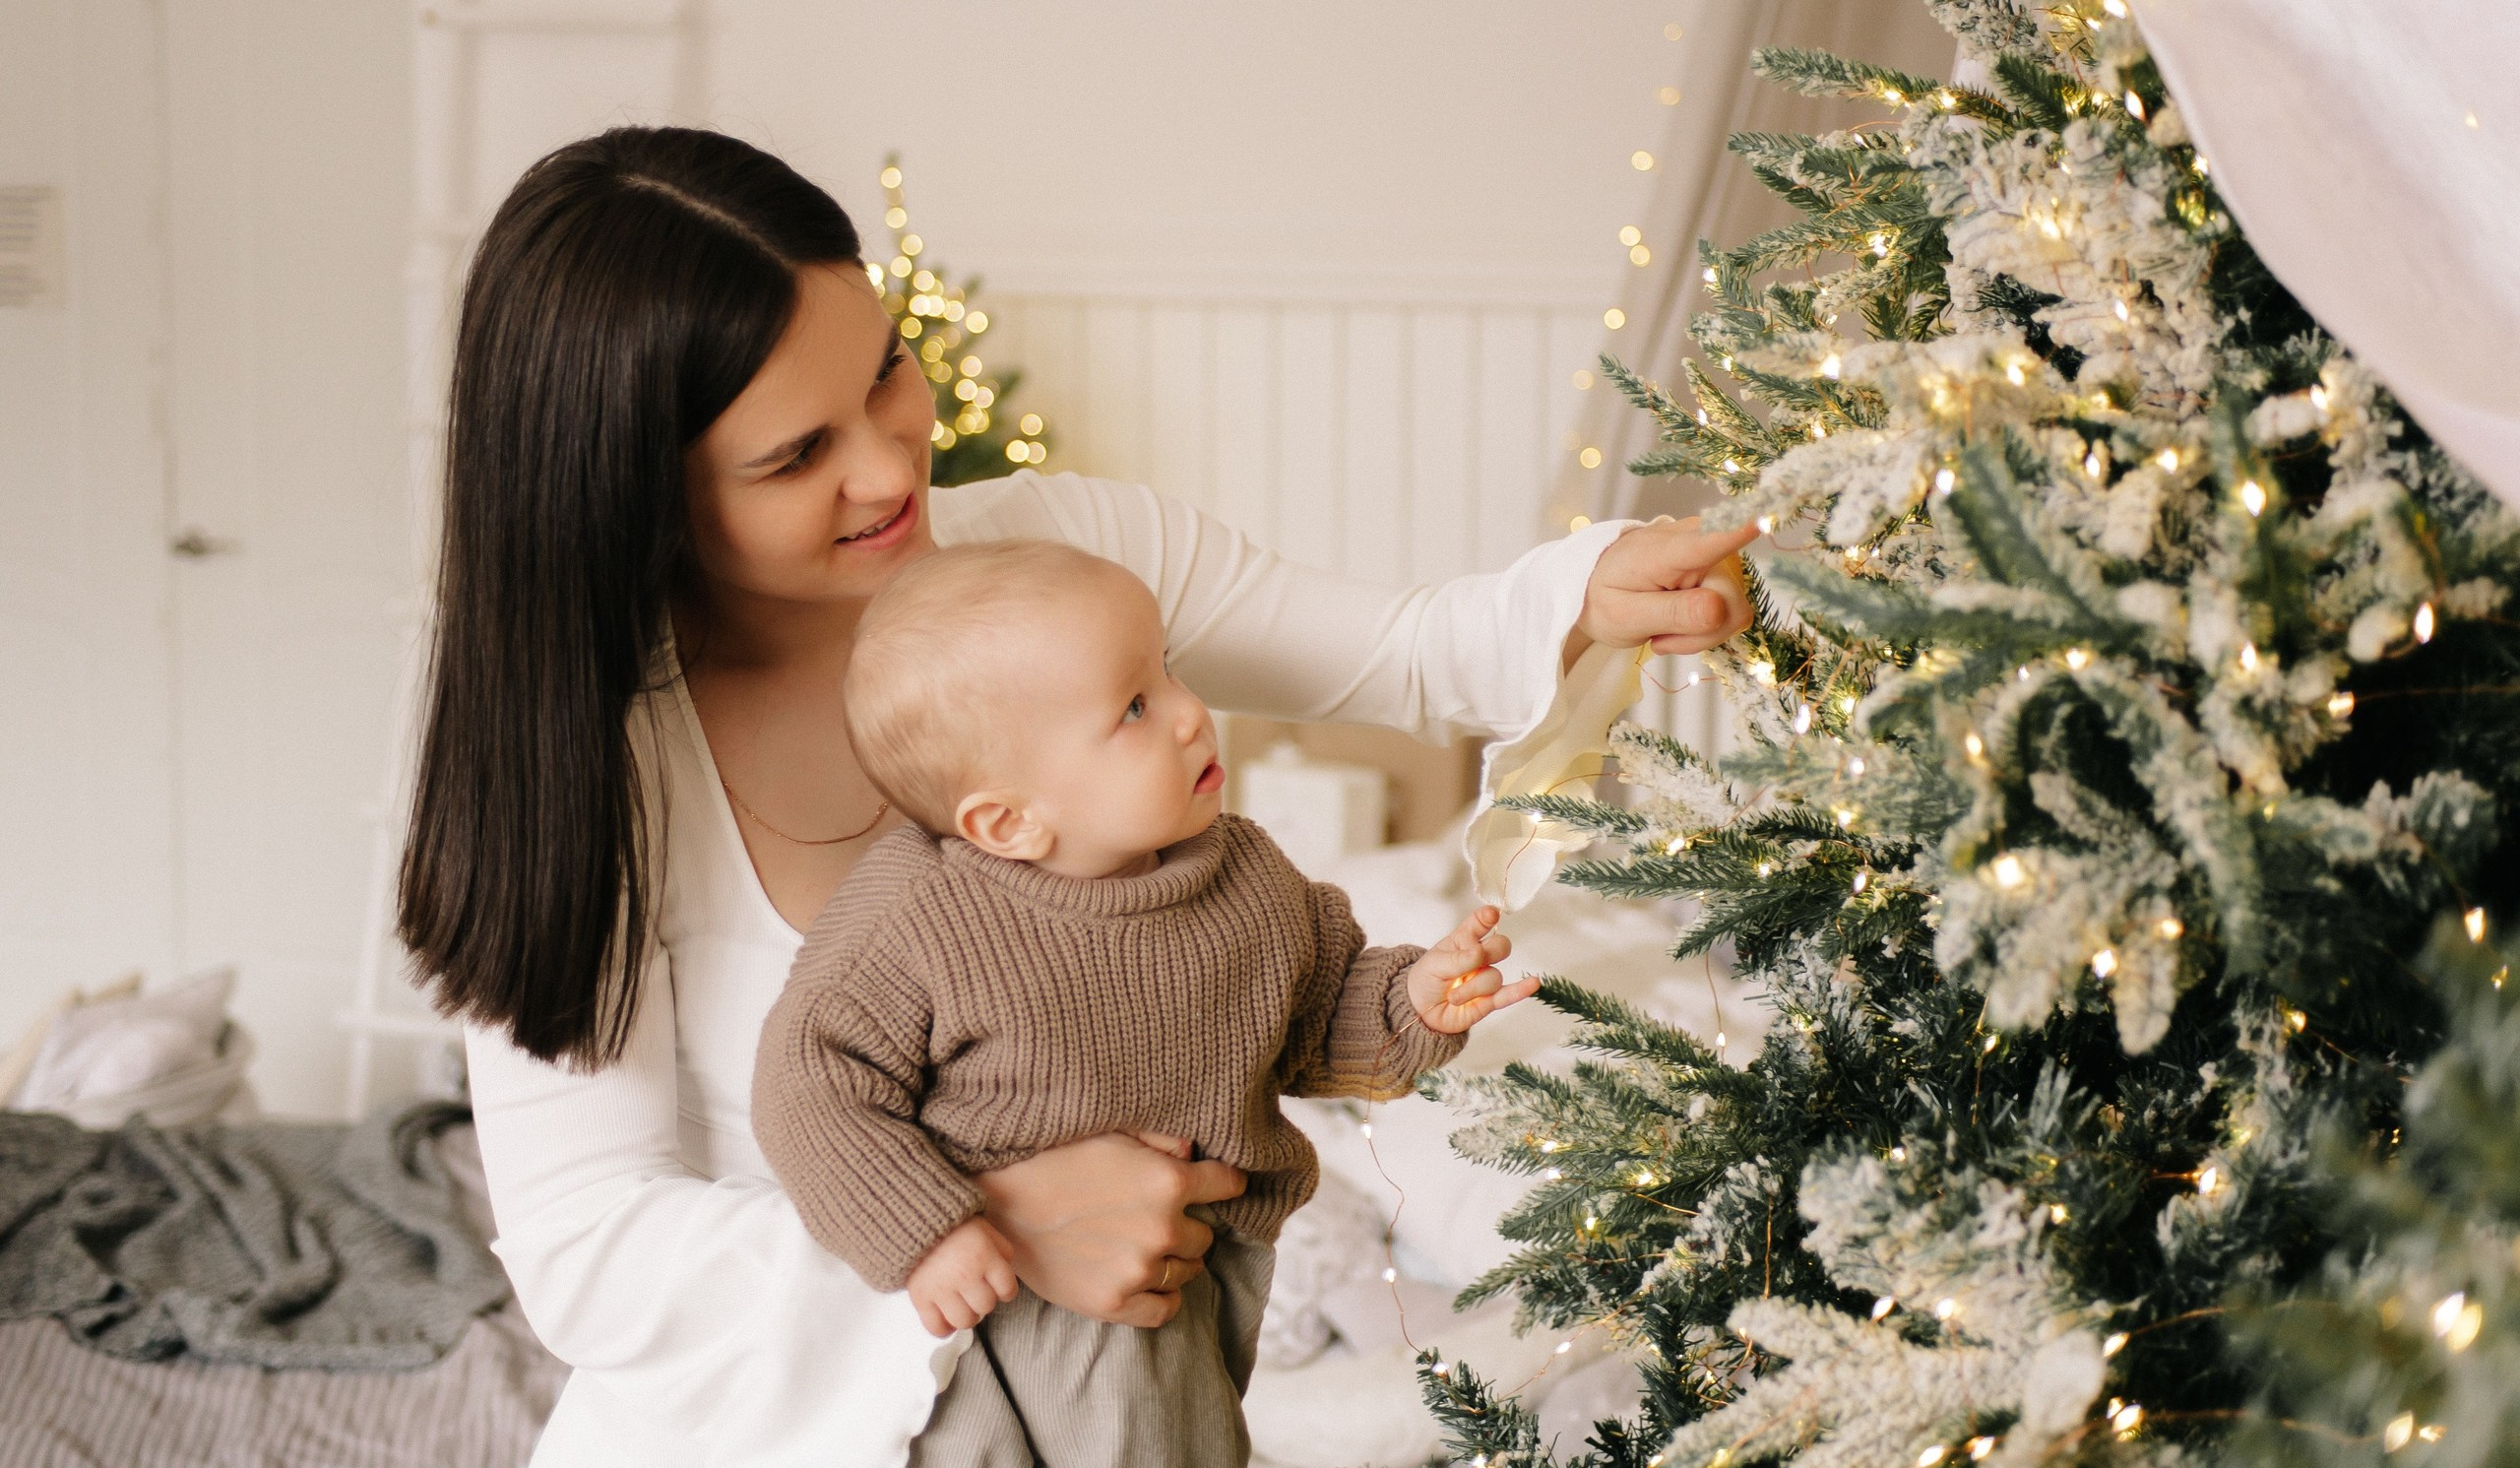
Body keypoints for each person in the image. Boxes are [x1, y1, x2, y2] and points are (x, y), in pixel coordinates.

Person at [397, 125, 1754, 1468]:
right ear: (639, 494)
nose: (892, 466)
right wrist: (988, 1221)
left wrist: (1585, 591)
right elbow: (590, 1246)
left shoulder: (1055, 553)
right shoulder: (584, 758)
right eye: (798, 455)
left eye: (887, 370)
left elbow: (1403, 648)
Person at [755, 540, 1541, 1465]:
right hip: (998, 1293)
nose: (1190, 714)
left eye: (1167, 672)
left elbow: (1316, 1018)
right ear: (1009, 821)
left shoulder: (1245, 876)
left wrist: (1412, 999)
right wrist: (928, 1231)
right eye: (1133, 707)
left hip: (1180, 1276)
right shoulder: (919, 913)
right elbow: (811, 1078)